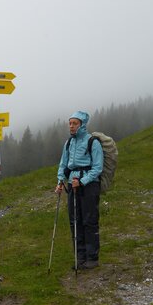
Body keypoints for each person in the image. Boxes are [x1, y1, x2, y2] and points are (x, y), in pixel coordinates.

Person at [55, 111, 103, 269]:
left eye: (74, 123)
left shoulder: (92, 142)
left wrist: (82, 181)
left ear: (82, 125)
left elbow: (97, 168)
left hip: (89, 185)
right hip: (72, 184)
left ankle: (92, 258)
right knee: (74, 221)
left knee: (89, 221)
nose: (71, 126)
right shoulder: (69, 143)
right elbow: (63, 164)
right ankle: (80, 258)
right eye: (70, 123)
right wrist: (60, 181)